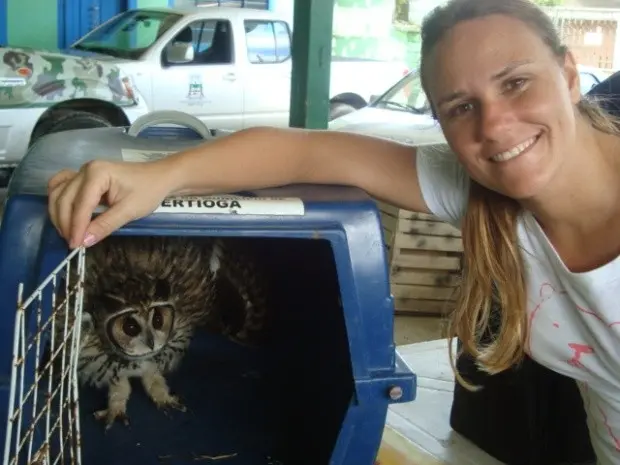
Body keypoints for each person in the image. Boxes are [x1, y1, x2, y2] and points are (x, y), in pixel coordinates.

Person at [47, 0, 620, 462]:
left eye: (516, 82)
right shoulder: (482, 191)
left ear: (569, 74)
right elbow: (306, 151)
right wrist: (158, 176)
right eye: (461, 107)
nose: (494, 125)